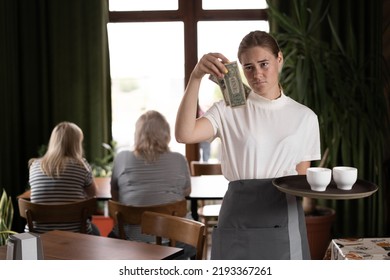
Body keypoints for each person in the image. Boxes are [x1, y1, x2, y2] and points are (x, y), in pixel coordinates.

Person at [175, 30, 321, 260]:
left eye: (264, 64)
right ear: (240, 69)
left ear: (279, 59)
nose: (258, 74)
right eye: (249, 67)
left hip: (283, 219)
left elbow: (301, 180)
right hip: (237, 218)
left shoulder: (305, 117)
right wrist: (195, 77)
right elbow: (184, 134)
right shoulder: (228, 109)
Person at [109, 110, 193, 258]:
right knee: (194, 237)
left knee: (108, 239)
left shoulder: (122, 158)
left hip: (129, 241)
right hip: (174, 242)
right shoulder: (179, 159)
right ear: (166, 133)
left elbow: (115, 195)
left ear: (137, 134)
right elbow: (186, 192)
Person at [28, 121, 100, 235]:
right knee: (95, 230)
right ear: (76, 144)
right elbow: (93, 195)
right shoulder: (81, 165)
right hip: (75, 232)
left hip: (38, 234)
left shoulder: (34, 165)